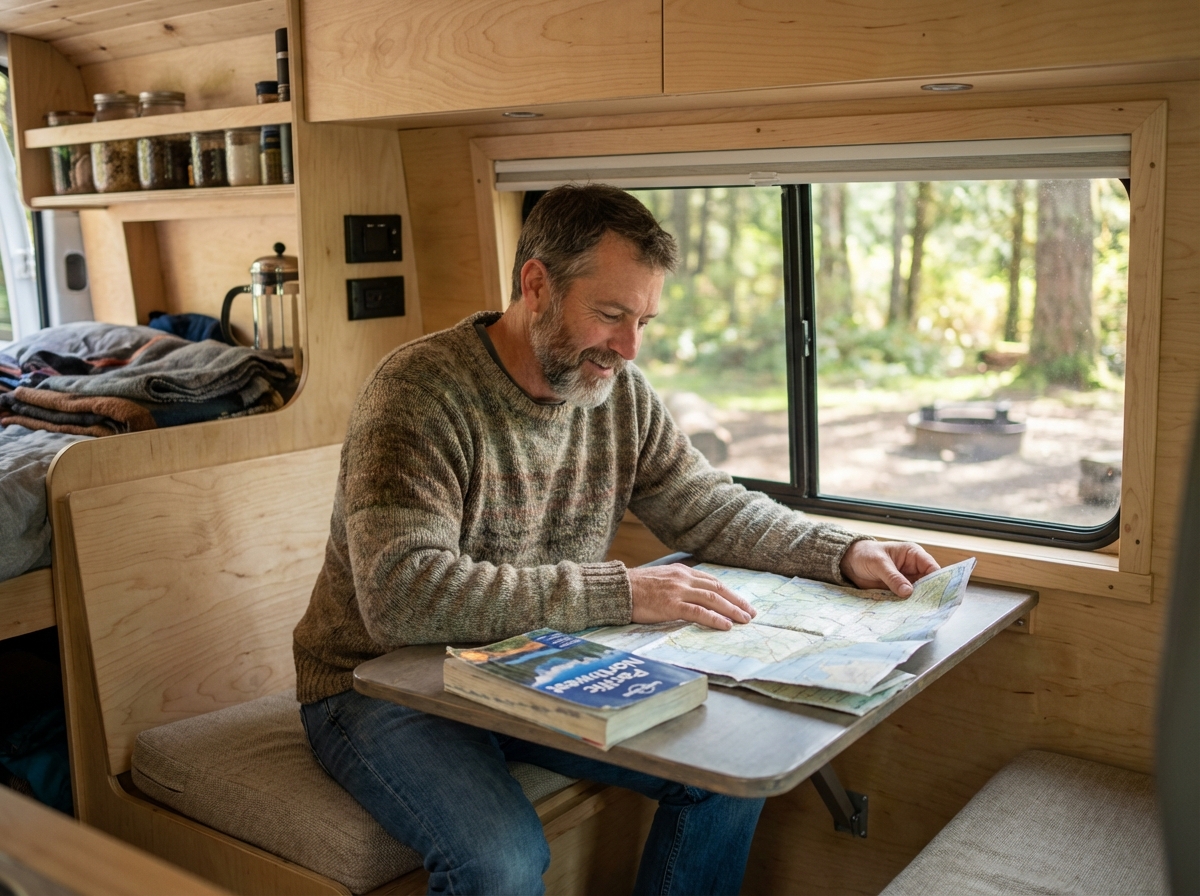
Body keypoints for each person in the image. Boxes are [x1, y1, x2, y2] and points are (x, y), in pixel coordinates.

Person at [293, 184, 938, 895]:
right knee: (501, 863)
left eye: (644, 322)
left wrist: (841, 553)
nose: (629, 348)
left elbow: (706, 505)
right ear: (536, 285)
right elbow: (403, 597)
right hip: (380, 687)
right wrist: (622, 592)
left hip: (530, 660)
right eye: (610, 315)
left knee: (724, 778)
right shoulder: (418, 394)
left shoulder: (616, 393)